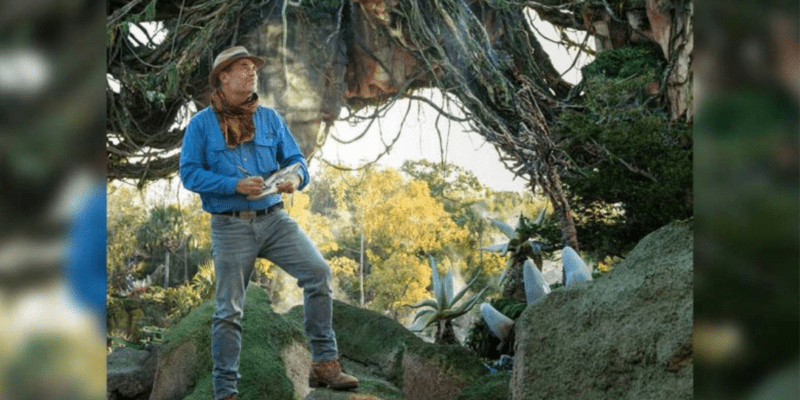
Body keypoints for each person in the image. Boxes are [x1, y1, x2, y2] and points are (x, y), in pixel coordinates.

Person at [179, 46, 358, 400]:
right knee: (229, 310)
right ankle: (226, 391)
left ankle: (324, 363)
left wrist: (296, 178)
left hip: (275, 219)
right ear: (223, 77)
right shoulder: (200, 125)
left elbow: (297, 160)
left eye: (253, 68)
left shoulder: (271, 118)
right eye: (242, 68)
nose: (251, 73)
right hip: (229, 226)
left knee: (318, 272)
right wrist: (234, 185)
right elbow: (189, 173)